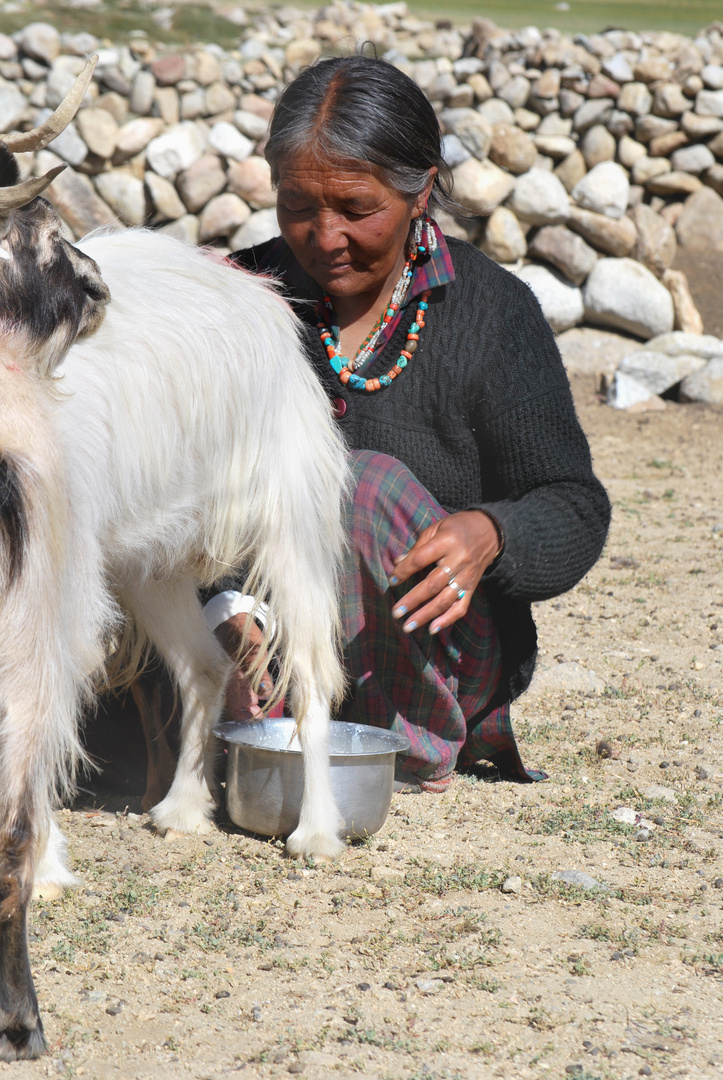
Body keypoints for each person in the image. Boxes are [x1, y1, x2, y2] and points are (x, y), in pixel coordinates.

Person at [216, 54, 610, 792]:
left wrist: (491, 534)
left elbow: (573, 503)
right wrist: (218, 611)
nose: (324, 236)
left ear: (420, 189)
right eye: (298, 206)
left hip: (433, 656)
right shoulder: (239, 301)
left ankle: (407, 747)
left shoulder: (490, 313)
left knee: (361, 487)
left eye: (356, 210)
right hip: (260, 646)